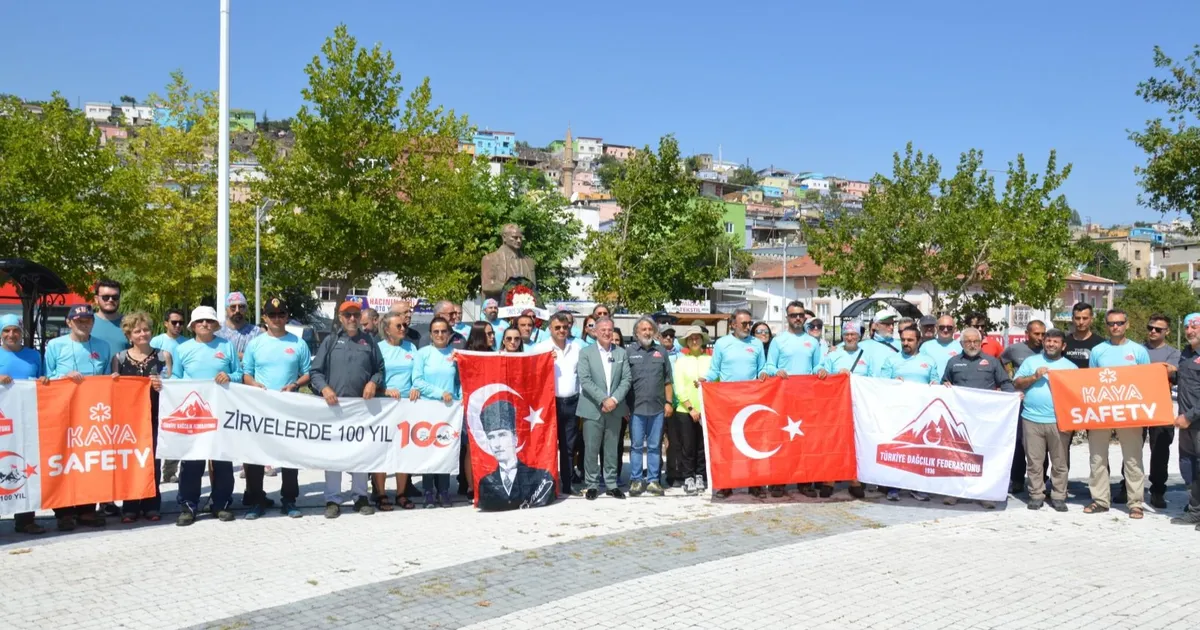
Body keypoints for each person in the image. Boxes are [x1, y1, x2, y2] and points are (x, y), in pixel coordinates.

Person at [42, 304, 113, 530]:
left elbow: (105, 378)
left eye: (88, 320)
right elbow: (45, 376)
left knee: (89, 460)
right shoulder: (54, 345)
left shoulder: (103, 346)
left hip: (93, 413)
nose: (84, 324)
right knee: (64, 460)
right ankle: (64, 512)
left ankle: (87, 510)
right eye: (79, 320)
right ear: (69, 322)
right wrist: (63, 376)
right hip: (63, 411)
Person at [311, 300, 382, 519]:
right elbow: (315, 372)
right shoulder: (331, 341)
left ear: (361, 317)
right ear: (340, 318)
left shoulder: (369, 341)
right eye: (347, 315)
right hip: (335, 408)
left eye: (355, 315)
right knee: (334, 454)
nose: (352, 319)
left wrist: (373, 382)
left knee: (360, 452)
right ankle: (333, 499)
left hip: (361, 409)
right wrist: (324, 388)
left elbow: (379, 369)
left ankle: (360, 496)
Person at [241, 297, 311, 519]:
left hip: (288, 408)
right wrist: (254, 385)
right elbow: (246, 373)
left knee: (289, 456)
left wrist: (295, 384)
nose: (277, 319)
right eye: (272, 315)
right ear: (265, 318)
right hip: (260, 408)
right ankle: (256, 499)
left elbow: (308, 373)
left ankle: (289, 500)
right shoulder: (255, 344)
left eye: (281, 315)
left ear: (287, 317)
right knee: (256, 457)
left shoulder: (298, 343)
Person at [172, 306, 242, 526]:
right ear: (193, 325)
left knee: (222, 459)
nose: (205, 324)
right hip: (194, 415)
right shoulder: (183, 349)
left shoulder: (226, 346)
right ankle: (188, 505)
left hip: (222, 412)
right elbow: (175, 376)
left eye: (209, 321)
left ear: (215, 325)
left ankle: (221, 503)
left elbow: (239, 374)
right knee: (192, 460)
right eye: (200, 321)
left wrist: (229, 375)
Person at [1084, 309, 1150, 519]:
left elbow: (1146, 380)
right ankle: (1101, 500)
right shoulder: (1097, 351)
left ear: (1127, 325)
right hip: (1102, 412)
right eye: (1111, 323)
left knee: (1133, 459)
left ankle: (1136, 503)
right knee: (1097, 458)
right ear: (1106, 326)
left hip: (1129, 412)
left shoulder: (1138, 351)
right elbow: (1092, 382)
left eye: (1120, 323)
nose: (1115, 327)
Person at [941, 327, 1015, 509]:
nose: (972, 345)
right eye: (968, 341)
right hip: (960, 420)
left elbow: (1005, 383)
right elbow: (944, 382)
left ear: (980, 343)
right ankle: (955, 493)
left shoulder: (991, 362)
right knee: (958, 455)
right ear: (961, 343)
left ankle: (985, 494)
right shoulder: (953, 362)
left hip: (985, 420)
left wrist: (1013, 397)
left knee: (984, 455)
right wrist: (944, 385)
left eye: (975, 341)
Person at [110, 311, 170, 523]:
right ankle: (130, 506)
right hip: (130, 419)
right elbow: (113, 390)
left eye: (145, 329)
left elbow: (173, 387)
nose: (142, 334)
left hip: (156, 415)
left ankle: (152, 504)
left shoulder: (163, 356)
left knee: (153, 461)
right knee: (131, 462)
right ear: (129, 334)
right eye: (137, 331)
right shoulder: (119, 358)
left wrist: (162, 384)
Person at [702, 309, 766, 498]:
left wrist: (764, 373)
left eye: (749, 323)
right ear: (733, 325)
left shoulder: (757, 344)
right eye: (744, 323)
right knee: (727, 444)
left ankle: (754, 483)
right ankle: (726, 484)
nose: (748, 327)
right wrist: (705, 380)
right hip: (727, 402)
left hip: (751, 401)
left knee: (752, 443)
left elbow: (762, 368)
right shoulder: (722, 344)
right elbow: (714, 371)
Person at [1012, 328, 1076, 512]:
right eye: (1048, 341)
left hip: (1060, 420)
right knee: (1034, 461)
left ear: (1063, 346)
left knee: (1060, 461)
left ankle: (1058, 495)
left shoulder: (1070, 367)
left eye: (1055, 342)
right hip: (1031, 418)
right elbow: (1016, 383)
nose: (1051, 344)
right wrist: (1034, 377)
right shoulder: (1031, 362)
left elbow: (1077, 394)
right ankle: (1036, 494)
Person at [879, 326, 939, 502]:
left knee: (919, 451)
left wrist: (936, 384)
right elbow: (881, 383)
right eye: (903, 339)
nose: (906, 343)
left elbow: (935, 380)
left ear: (918, 341)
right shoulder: (891, 360)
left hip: (921, 414)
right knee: (897, 449)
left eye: (910, 340)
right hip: (898, 412)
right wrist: (891, 383)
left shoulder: (928, 361)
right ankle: (893, 487)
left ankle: (917, 487)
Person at [0, 314, 46, 534]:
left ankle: (26, 519)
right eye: (6, 331)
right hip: (3, 423)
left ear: (22, 332)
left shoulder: (33, 356)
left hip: (27, 423)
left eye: (15, 330)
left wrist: (44, 381)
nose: (11, 335)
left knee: (26, 468)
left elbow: (42, 381)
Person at [577, 317, 631, 500]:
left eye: (610, 330)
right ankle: (591, 484)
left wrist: (614, 399)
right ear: (595, 332)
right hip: (593, 407)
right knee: (591, 448)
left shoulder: (621, 353)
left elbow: (626, 380)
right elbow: (585, 380)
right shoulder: (586, 353)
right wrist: (603, 399)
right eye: (603, 330)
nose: (607, 333)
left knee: (611, 448)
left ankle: (611, 484)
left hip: (615, 408)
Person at [373, 310, 420, 510]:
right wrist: (383, 390)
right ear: (387, 330)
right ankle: (381, 494)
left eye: (404, 326)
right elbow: (372, 375)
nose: (403, 329)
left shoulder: (411, 347)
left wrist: (416, 388)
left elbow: (417, 375)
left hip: (406, 406)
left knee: (404, 450)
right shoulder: (378, 348)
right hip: (383, 405)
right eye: (398, 326)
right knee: (382, 451)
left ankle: (401, 493)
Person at [412, 316, 461, 508]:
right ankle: (428, 491)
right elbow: (417, 381)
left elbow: (459, 381)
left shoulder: (455, 354)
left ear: (449, 334)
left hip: (449, 411)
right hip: (428, 408)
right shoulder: (422, 353)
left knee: (445, 450)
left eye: (443, 331)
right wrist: (441, 393)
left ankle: (444, 490)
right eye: (436, 332)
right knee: (429, 450)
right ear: (431, 334)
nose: (440, 335)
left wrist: (459, 397)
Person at [625, 317, 674, 497]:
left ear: (654, 332)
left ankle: (653, 480)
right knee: (636, 446)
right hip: (636, 409)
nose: (646, 332)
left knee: (654, 446)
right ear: (637, 332)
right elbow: (624, 382)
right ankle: (636, 480)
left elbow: (668, 381)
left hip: (658, 409)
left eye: (649, 329)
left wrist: (669, 403)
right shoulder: (629, 352)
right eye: (643, 329)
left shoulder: (661, 352)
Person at [476, 400, 556, 509]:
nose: (497, 444)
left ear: (515, 439)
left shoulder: (539, 477)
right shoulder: (485, 483)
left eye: (502, 435)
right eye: (491, 437)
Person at [1000, 319, 1047, 495]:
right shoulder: (1015, 349)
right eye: (1037, 334)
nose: (1041, 338)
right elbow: (1003, 359)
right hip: (1020, 402)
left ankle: (1042, 479)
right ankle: (1018, 479)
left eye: (1043, 334)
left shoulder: (1047, 350)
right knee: (1019, 442)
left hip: (1042, 406)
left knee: (1043, 445)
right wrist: (1009, 375)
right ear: (1027, 334)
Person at [1144, 313, 1180, 509]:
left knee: (1160, 452)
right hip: (1136, 405)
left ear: (1167, 331)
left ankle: (1158, 491)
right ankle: (1128, 487)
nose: (1153, 332)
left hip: (1161, 407)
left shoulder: (1174, 353)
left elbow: (1175, 375)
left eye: (1158, 329)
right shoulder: (1137, 350)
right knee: (1131, 450)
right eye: (1150, 328)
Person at [670, 325, 711, 496]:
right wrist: (691, 408)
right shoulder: (681, 361)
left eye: (697, 337)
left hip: (706, 409)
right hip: (685, 410)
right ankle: (688, 476)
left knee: (703, 446)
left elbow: (715, 380)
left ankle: (701, 475)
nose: (694, 340)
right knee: (687, 446)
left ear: (702, 340)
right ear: (687, 342)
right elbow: (678, 387)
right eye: (691, 338)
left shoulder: (710, 360)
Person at [546, 312, 582, 497]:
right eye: (557, 327)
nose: (561, 330)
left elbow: (582, 377)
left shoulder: (576, 348)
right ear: (550, 328)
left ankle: (567, 485)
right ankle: (549, 485)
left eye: (565, 327)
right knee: (548, 447)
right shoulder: (541, 348)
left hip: (572, 402)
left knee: (569, 447)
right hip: (549, 404)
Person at [1170, 313, 1200, 530]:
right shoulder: (1185, 353)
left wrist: (1189, 417)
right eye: (1187, 327)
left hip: (1195, 421)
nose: (1190, 331)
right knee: (1187, 466)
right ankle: (1195, 508)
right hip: (1185, 424)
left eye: (1194, 327)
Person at [215, 291, 262, 361]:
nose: (237, 310)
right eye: (233, 307)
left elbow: (261, 357)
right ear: (226, 309)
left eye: (241, 307)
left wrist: (242, 356)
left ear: (246, 309)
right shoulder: (217, 331)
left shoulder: (256, 333)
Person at [90, 278, 129, 354]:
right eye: (105, 297)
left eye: (115, 297)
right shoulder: (85, 323)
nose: (110, 300)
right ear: (96, 299)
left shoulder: (130, 324)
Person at [1064, 302, 1103, 369]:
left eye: (1085, 318)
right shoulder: (1064, 342)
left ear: (1091, 319)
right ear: (1072, 319)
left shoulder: (1100, 344)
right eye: (1077, 318)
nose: (1081, 322)